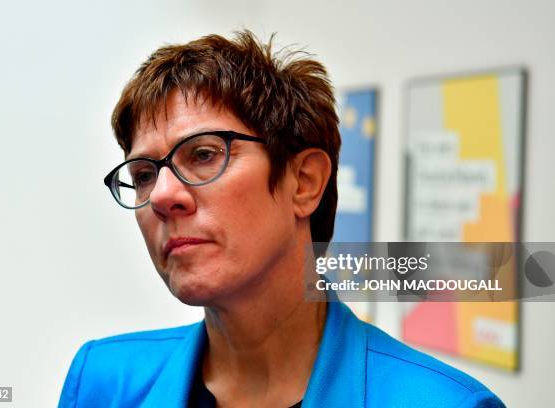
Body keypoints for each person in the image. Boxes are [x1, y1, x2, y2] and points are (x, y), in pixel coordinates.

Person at [58, 31, 504, 408]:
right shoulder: (102, 382)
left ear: (304, 182)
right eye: (143, 174)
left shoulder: (444, 402)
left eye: (205, 154)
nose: (162, 195)